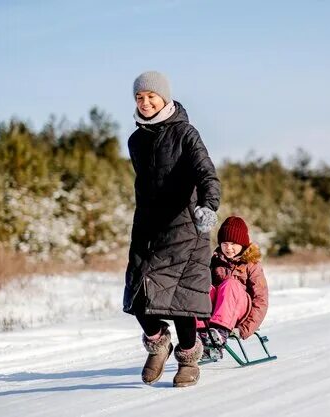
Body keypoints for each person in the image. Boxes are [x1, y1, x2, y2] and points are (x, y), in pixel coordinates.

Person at [122, 71, 221, 388]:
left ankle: (190, 358)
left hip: (185, 229)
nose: (146, 102)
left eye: (152, 96)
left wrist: (209, 204)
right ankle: (158, 342)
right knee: (137, 298)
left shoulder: (185, 133)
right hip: (148, 230)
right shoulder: (136, 140)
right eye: (140, 97)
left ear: (164, 98)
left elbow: (206, 172)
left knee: (180, 303)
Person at [197, 216, 269, 358]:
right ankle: (201, 334)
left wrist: (244, 329)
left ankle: (220, 333)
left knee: (230, 284)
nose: (228, 248)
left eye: (233, 243)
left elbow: (261, 300)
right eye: (224, 243)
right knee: (202, 287)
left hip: (241, 312)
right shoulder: (215, 262)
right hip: (218, 310)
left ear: (242, 243)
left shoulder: (252, 265)